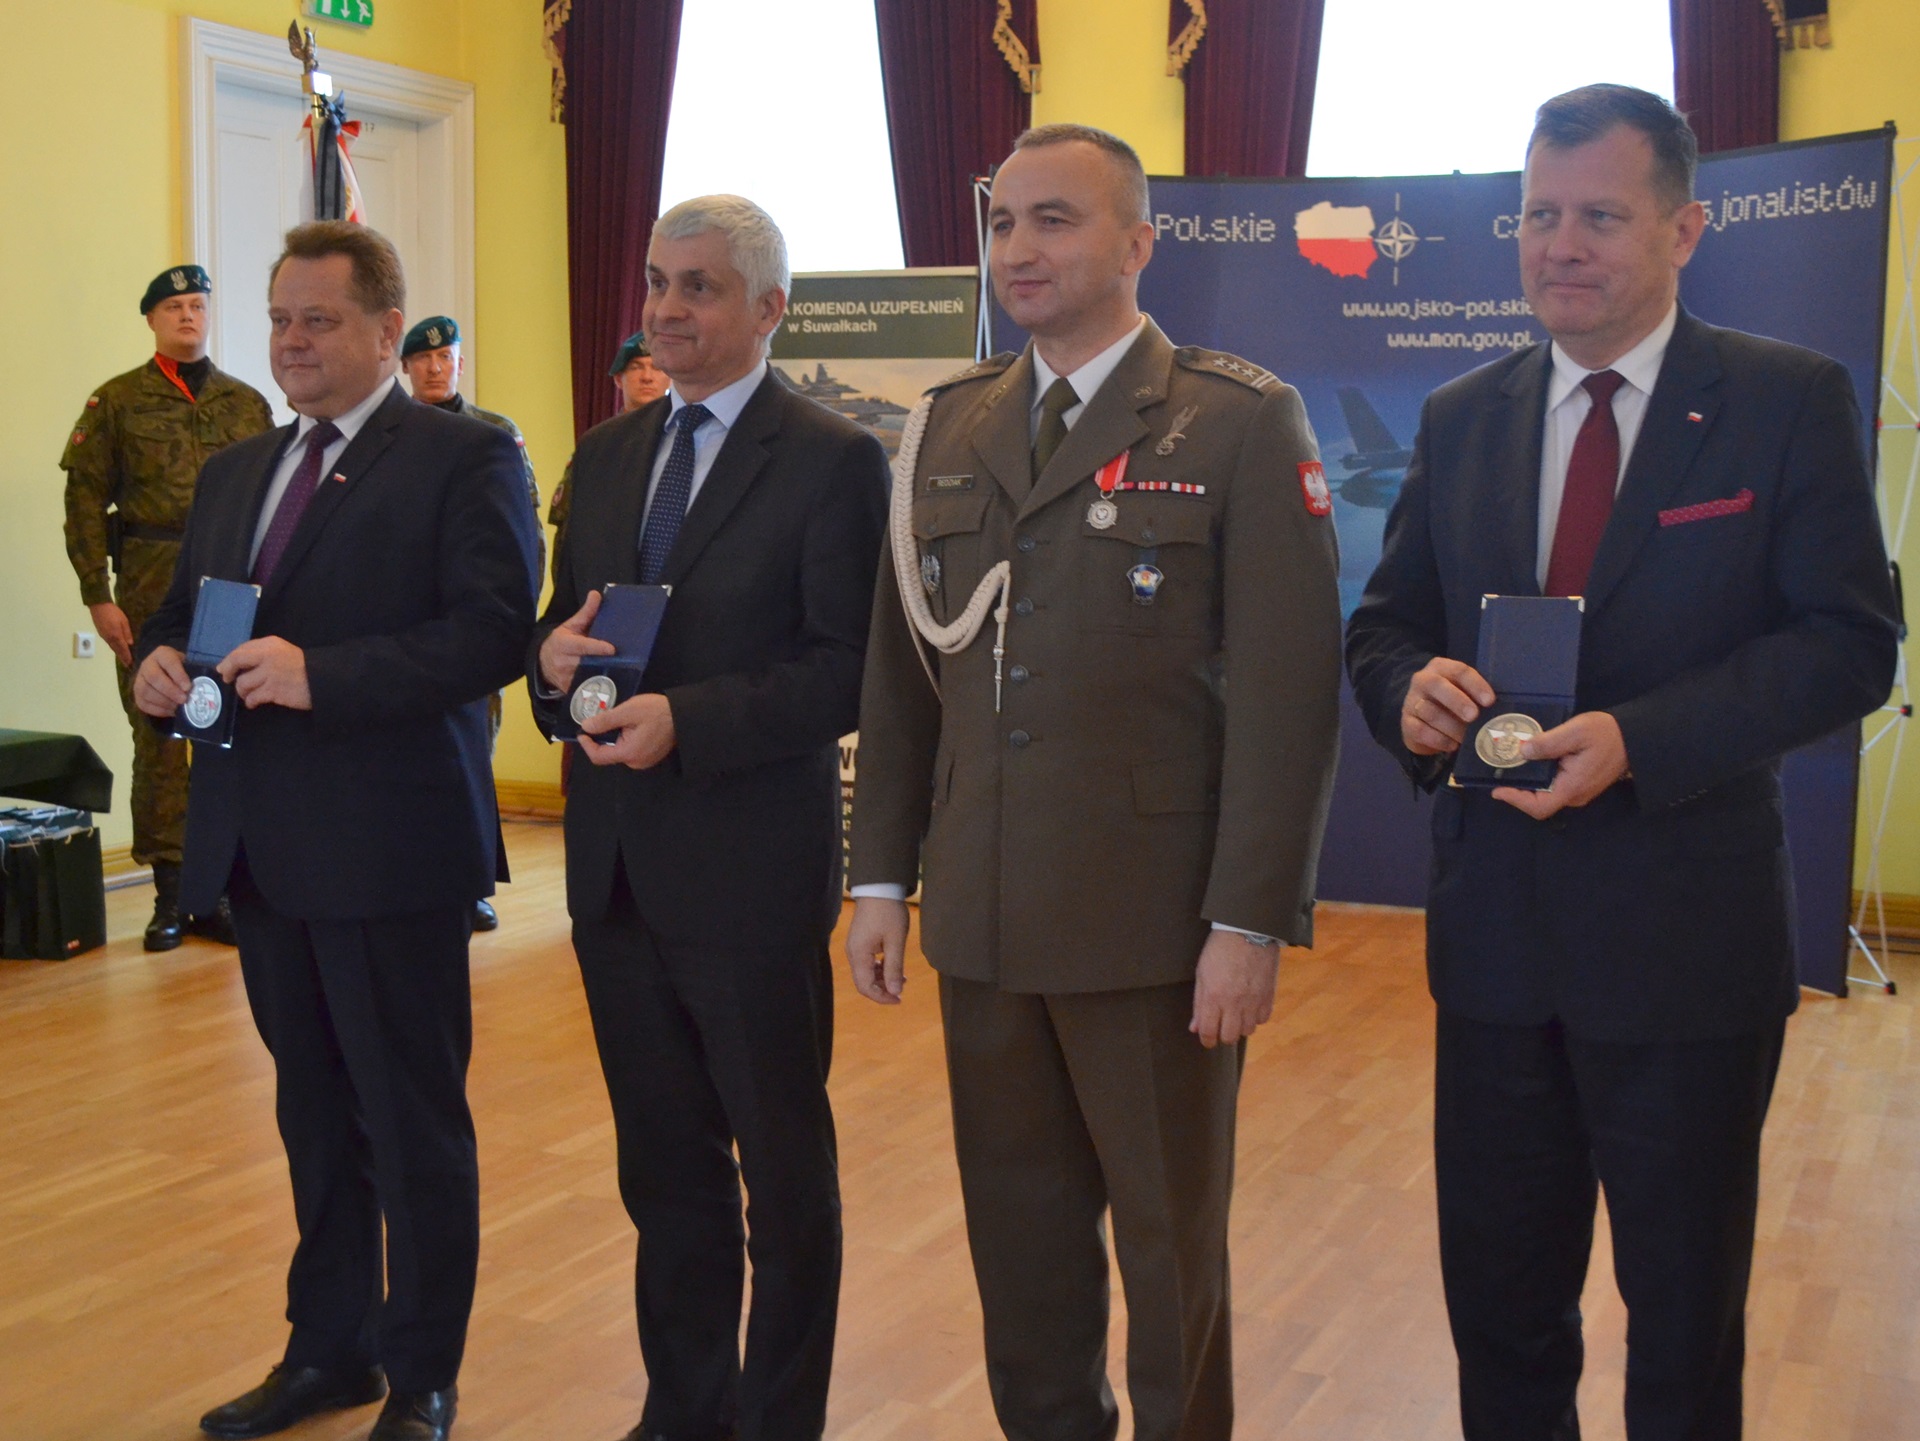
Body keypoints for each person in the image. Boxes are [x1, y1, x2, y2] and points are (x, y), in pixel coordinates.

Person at [1345, 85, 1898, 1441]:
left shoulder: (1783, 400)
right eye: (1539, 215)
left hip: (1685, 951)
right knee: (1503, 1312)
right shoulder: (1464, 413)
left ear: (1684, 230)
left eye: (1600, 215)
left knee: (1684, 1325)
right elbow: (1386, 624)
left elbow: (1849, 644)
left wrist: (1644, 739)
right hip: (1496, 948)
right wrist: (1409, 693)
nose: (1561, 245)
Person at [845, 124, 1343, 1441]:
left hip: (1152, 927)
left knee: (1171, 1246)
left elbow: (1289, 698)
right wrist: (881, 875)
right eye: (1003, 222)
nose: (1019, 247)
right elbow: (903, 675)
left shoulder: (1235, 420)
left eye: (1055, 220)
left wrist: (1249, 920)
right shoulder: (949, 425)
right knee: (1020, 1243)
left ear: (1137, 244)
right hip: (987, 913)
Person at [132, 221, 541, 1441]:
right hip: (259, 851)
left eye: (318, 319)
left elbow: (492, 633)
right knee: (312, 1117)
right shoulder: (236, 471)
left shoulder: (465, 454)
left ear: (383, 328)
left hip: (390, 851)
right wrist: (156, 669)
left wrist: (326, 676)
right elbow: (178, 617)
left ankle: (421, 1376)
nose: (291, 342)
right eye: (279, 319)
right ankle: (330, 1349)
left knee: (411, 1126)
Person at [529, 195, 887, 1441]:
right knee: (666, 1177)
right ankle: (684, 1412)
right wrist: (549, 667)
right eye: (655, 282)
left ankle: (779, 1420)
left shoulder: (833, 458)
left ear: (770, 308)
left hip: (749, 877)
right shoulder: (608, 453)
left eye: (699, 286)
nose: (666, 309)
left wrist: (690, 717)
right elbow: (565, 634)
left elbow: (852, 668)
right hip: (615, 876)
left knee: (783, 1188)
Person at [61, 263, 273, 950]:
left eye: (198, 305)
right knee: (159, 735)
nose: (188, 316)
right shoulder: (118, 402)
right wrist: (97, 595)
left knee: (232, 730)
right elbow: (83, 502)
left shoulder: (247, 403)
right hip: (151, 584)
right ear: (151, 319)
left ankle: (227, 887)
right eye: (174, 306)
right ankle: (172, 896)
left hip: (233, 587)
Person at [401, 313, 545, 932]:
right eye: (423, 359)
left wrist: (515, 619)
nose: (436, 368)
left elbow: (526, 534)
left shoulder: (494, 434)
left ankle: (471, 885)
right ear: (405, 367)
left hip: (475, 620)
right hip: (407, 627)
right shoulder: (389, 435)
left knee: (472, 758)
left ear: (460, 364)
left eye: (446, 358)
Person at [545, 330, 669, 567]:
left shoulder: (683, 443)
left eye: (656, 368)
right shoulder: (598, 447)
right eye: (635, 367)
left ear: (670, 377)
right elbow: (568, 533)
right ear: (618, 379)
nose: (647, 377)